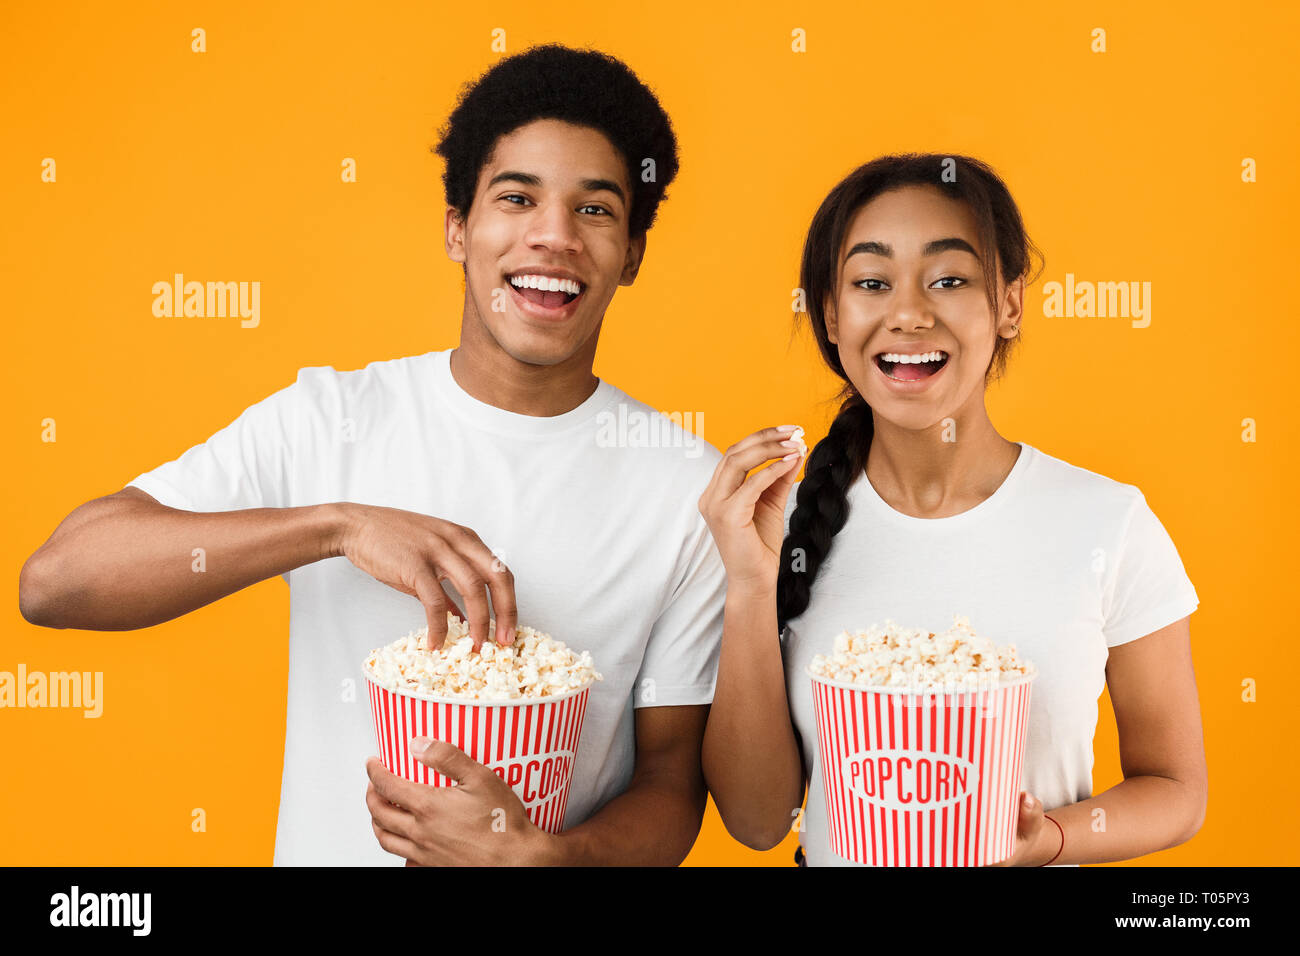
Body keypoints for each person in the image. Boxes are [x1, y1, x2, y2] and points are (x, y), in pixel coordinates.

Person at [19, 43, 726, 867]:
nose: (553, 236)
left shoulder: (687, 489)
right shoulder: (328, 421)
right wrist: (337, 527)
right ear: (459, 230)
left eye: (596, 210)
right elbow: (56, 581)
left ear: (633, 253)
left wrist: (550, 860)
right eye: (516, 197)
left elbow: (674, 784)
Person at [697, 153, 1208, 866]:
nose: (908, 313)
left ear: (1009, 305)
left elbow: (1176, 788)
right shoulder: (774, 528)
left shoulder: (1108, 524)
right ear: (830, 315)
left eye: (949, 279)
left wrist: (1050, 840)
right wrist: (751, 585)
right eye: (872, 283)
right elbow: (757, 821)